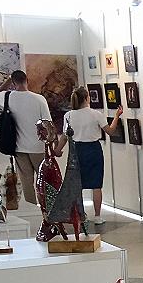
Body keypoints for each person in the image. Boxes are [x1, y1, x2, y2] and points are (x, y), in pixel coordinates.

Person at [57, 86, 122, 224]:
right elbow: (110, 131)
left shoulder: (68, 115)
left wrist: (57, 150)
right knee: (96, 184)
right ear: (87, 98)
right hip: (94, 150)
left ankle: (81, 216)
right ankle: (97, 216)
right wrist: (116, 116)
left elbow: (64, 136)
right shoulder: (95, 114)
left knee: (77, 184)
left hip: (76, 151)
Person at [0, 70, 52, 205]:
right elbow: (47, 123)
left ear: (13, 82)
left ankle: (32, 208)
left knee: (26, 181)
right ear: (27, 80)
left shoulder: (8, 97)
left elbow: (0, 90)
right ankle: (47, 206)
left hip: (19, 147)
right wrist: (52, 145)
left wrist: (9, 79)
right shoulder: (39, 99)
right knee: (44, 180)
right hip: (38, 146)